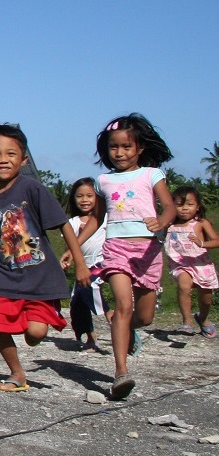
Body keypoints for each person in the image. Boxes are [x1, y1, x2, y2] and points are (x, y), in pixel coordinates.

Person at [0, 125, 89, 393]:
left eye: (11, 153)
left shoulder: (33, 189)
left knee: (36, 334)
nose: (3, 159)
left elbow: (63, 225)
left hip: (41, 278)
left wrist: (81, 263)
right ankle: (17, 373)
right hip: (4, 276)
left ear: (24, 159)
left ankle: (39, 323)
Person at [78, 113, 175, 400]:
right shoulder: (103, 181)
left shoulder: (151, 174)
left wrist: (162, 221)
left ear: (140, 148)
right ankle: (121, 372)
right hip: (117, 247)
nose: (119, 153)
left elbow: (168, 206)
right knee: (123, 305)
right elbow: (96, 219)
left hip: (147, 250)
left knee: (142, 316)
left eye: (126, 147)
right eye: (113, 148)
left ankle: (127, 326)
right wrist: (75, 250)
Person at [59, 177, 111, 352]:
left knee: (92, 286)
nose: (85, 200)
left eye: (90, 195)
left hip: (103, 262)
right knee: (77, 303)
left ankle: (111, 315)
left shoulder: (105, 220)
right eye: (80, 196)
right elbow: (70, 249)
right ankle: (89, 336)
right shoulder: (72, 223)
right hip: (84, 267)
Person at [165, 186, 218, 338]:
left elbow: (216, 240)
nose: (185, 209)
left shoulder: (201, 223)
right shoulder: (169, 225)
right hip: (181, 264)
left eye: (189, 204)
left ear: (197, 206)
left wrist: (202, 244)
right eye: (180, 205)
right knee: (183, 286)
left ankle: (203, 318)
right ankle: (187, 322)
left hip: (202, 265)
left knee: (206, 299)